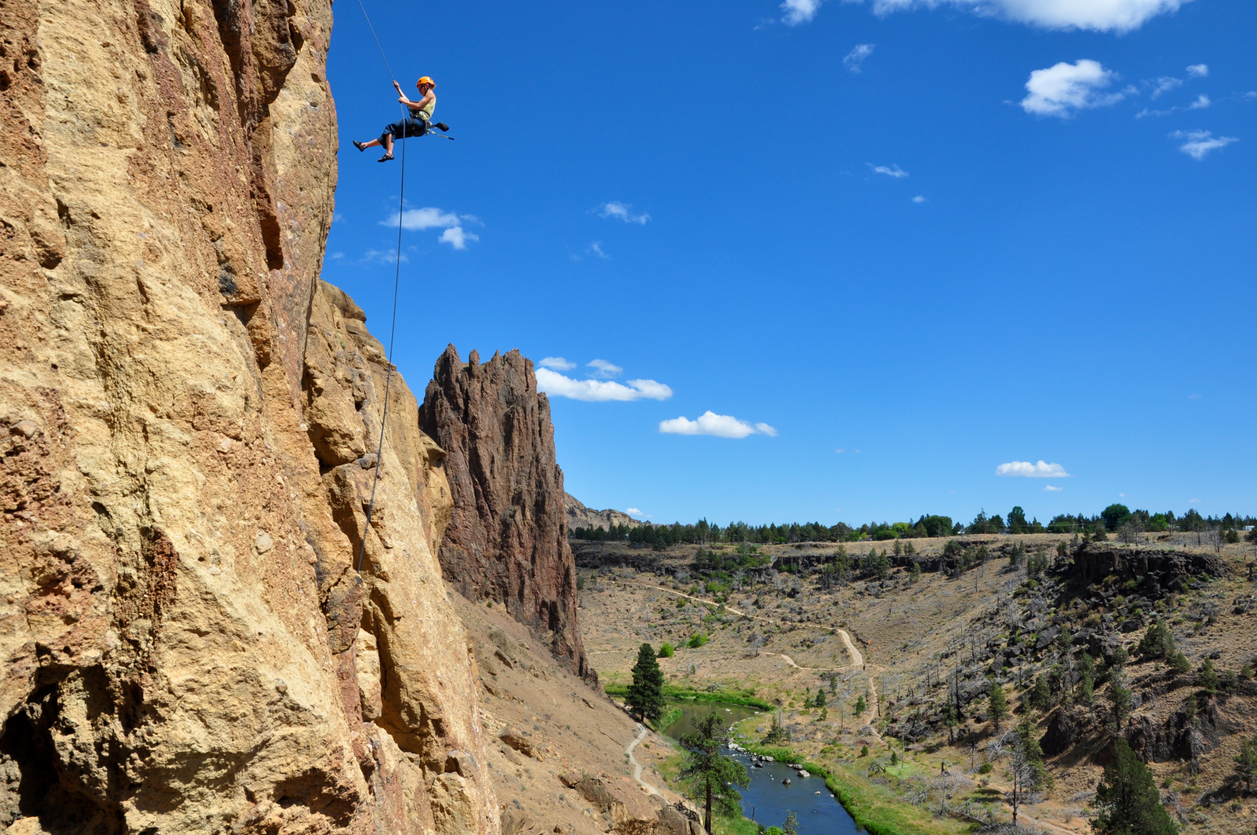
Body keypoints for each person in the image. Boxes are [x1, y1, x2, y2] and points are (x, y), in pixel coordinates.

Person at [353, 76, 447, 162]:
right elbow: (408, 102)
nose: (419, 90)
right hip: (420, 129)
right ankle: (364, 145)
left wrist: (403, 101)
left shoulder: (430, 94)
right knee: (389, 135)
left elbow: (417, 106)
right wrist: (398, 88)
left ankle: (389, 153)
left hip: (418, 122)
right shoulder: (427, 98)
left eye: (420, 87)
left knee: (390, 128)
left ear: (426, 85)